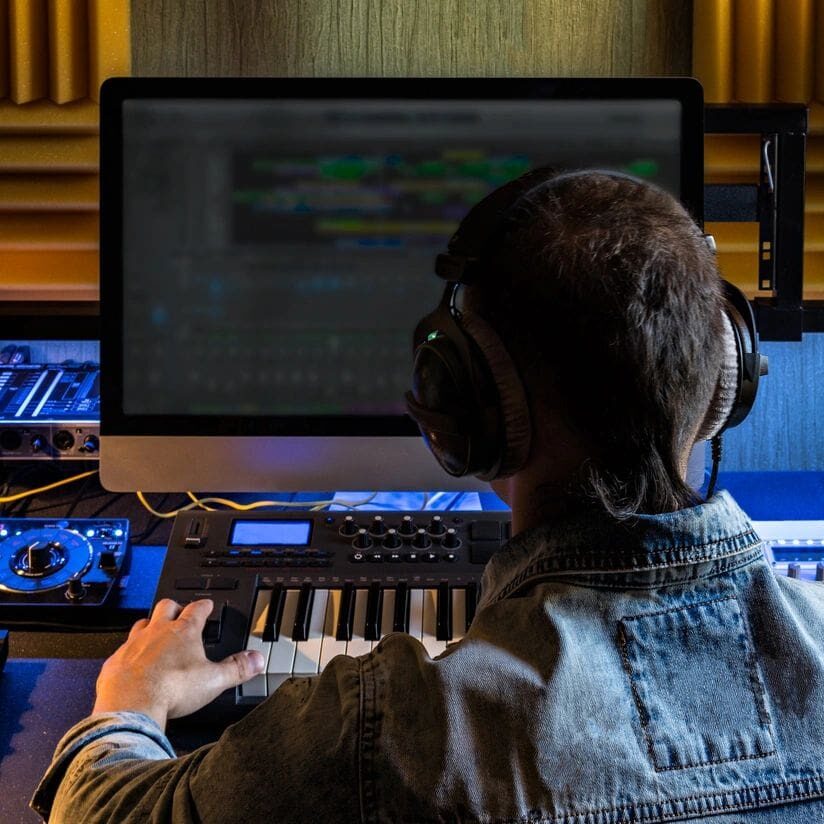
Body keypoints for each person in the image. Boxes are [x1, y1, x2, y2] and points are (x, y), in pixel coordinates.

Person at [32, 170, 824, 823]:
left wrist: (127, 708)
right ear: (724, 381)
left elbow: (101, 812)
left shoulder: (383, 737)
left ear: (464, 405)